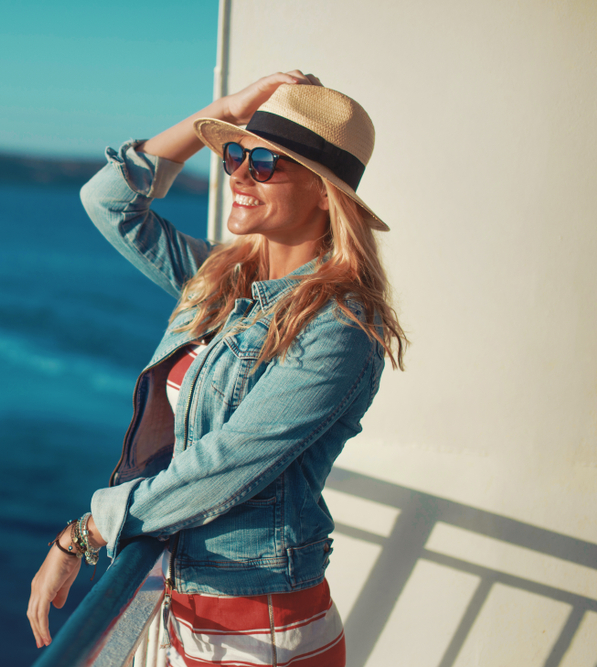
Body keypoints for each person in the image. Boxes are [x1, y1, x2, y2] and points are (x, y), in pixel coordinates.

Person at [27, 71, 406, 667]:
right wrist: (223, 109)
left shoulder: (340, 325)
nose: (237, 174)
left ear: (324, 192)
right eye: (233, 154)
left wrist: (83, 534)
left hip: (262, 629)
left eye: (265, 162)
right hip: (195, 610)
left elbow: (225, 466)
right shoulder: (222, 280)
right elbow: (107, 198)